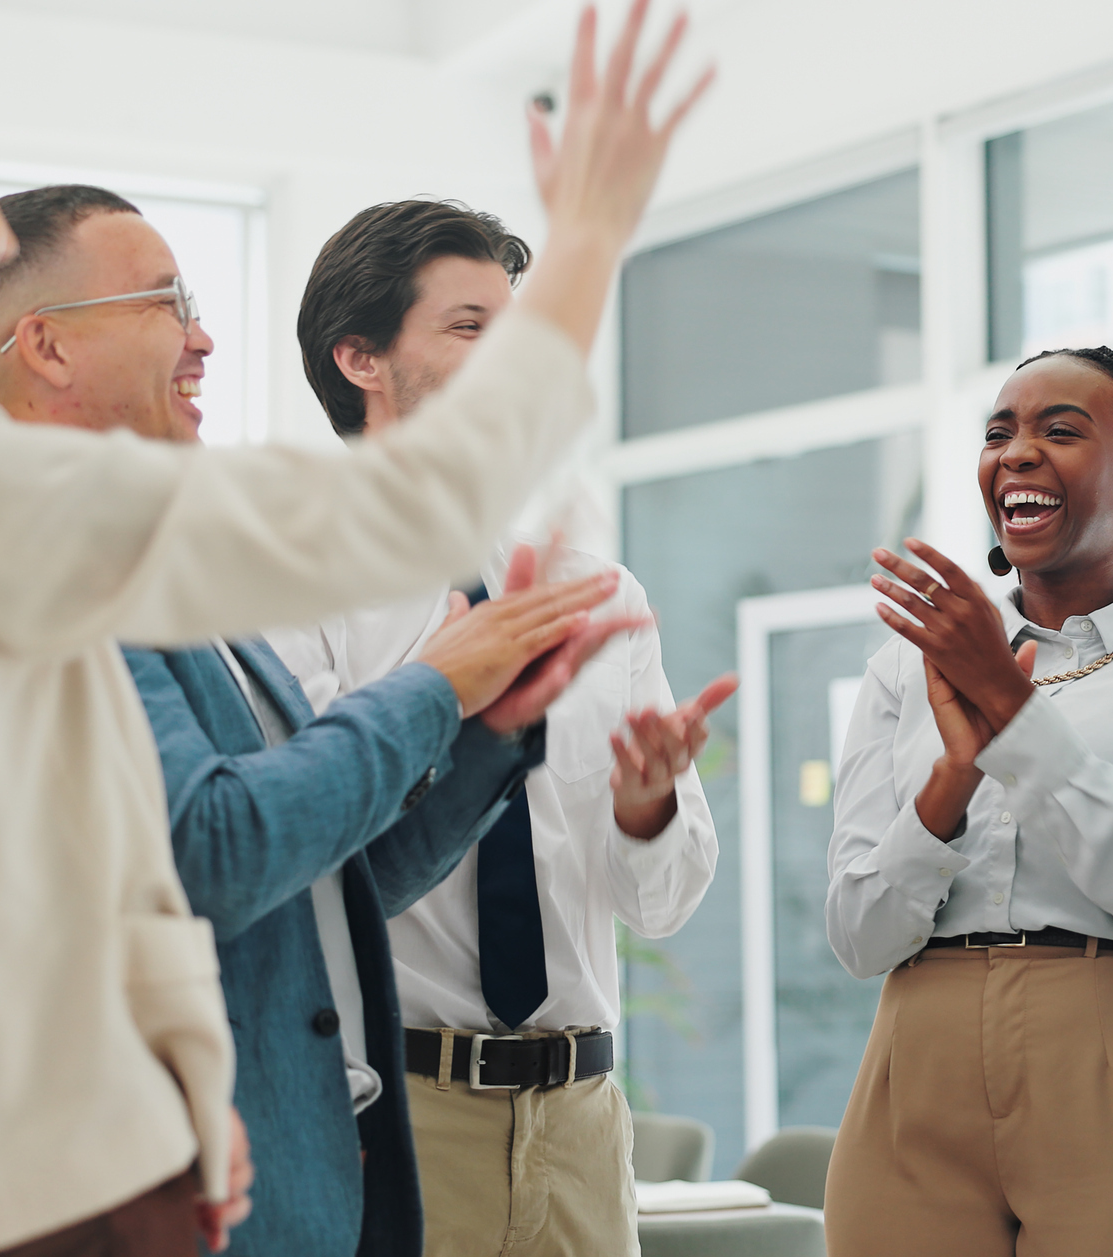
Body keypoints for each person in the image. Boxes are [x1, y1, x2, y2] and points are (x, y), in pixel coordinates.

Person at [0, 11, 704, 1257]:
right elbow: (411, 509)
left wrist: (156, 1069)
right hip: (15, 1211)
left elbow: (136, 900)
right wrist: (593, 232)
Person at [0, 184, 642, 1257]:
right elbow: (219, 848)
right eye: (165, 303)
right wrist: (434, 689)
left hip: (312, 1170)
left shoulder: (159, 565)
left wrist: (484, 736)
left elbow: (335, 882)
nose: (202, 339)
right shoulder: (35, 558)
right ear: (46, 347)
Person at [277, 197, 733, 1257]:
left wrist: (648, 809)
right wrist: (448, 712)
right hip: (391, 1114)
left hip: (578, 1123)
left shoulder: (595, 585)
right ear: (360, 358)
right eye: (468, 326)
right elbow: (299, 861)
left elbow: (659, 906)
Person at [820, 347, 1113, 1257]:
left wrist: (1011, 709)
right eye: (1000, 433)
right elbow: (861, 934)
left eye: (1059, 430)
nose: (1017, 452)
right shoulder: (902, 671)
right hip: (916, 1066)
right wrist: (953, 779)